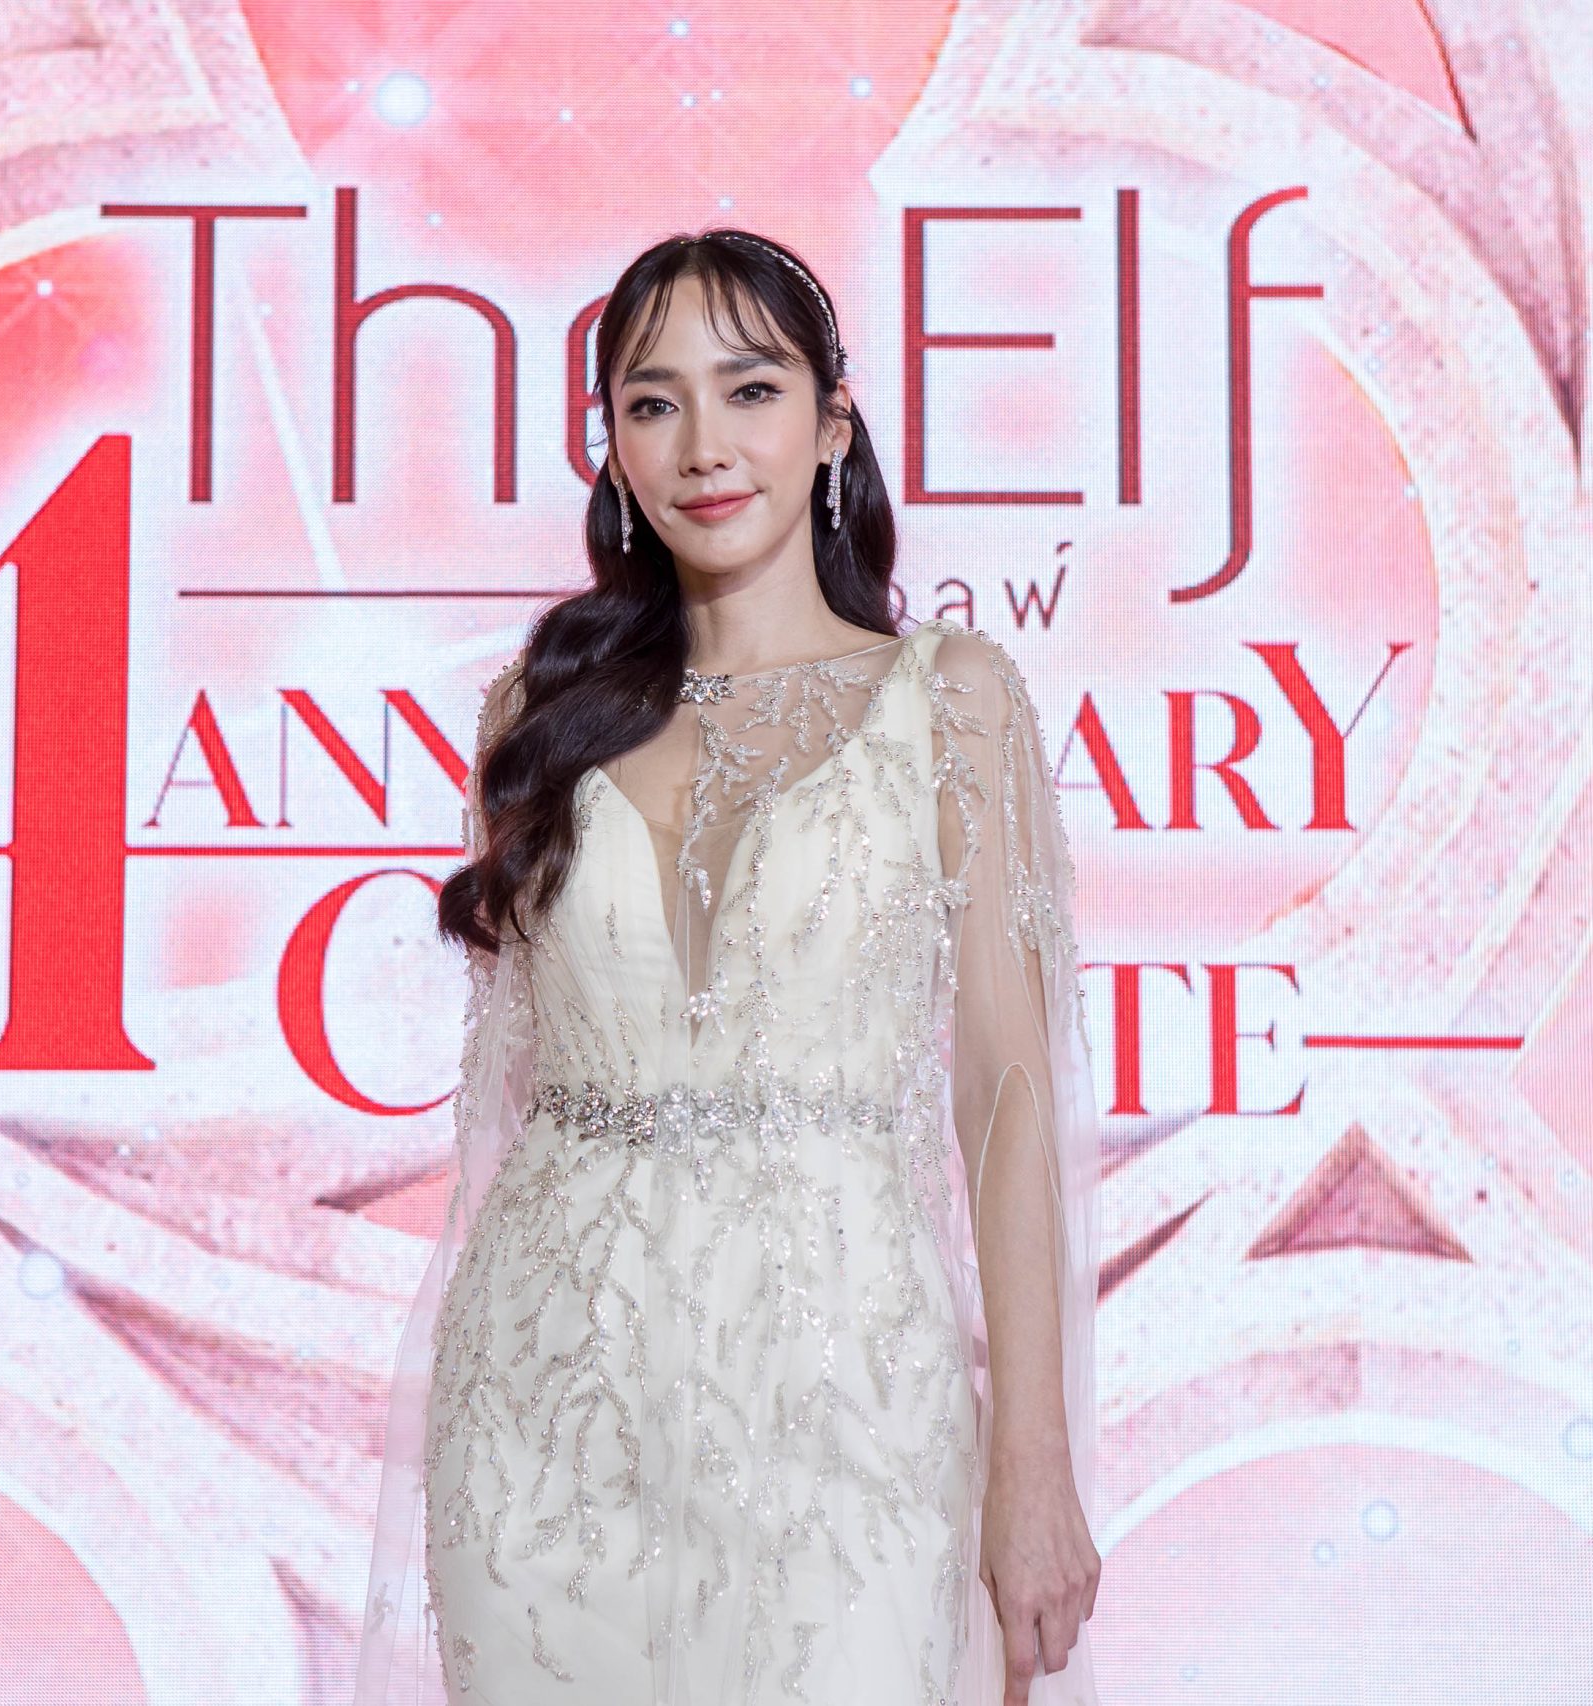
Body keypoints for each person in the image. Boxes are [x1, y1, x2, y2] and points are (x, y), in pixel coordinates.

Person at [355, 228, 1106, 1706]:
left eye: (751, 389)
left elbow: (1008, 1099)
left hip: (850, 1395)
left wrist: (1033, 1452)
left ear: (831, 423)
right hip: (545, 1412)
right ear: (615, 448)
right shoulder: (538, 713)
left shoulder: (951, 702)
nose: (704, 444)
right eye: (654, 402)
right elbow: (500, 1104)